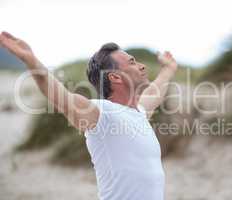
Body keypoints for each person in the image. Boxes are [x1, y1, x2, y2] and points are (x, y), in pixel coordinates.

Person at [0, 31, 178, 200]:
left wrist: (168, 69)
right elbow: (63, 99)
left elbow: (156, 90)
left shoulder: (138, 112)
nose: (142, 66)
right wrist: (33, 63)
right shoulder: (102, 114)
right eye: (132, 62)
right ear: (115, 77)